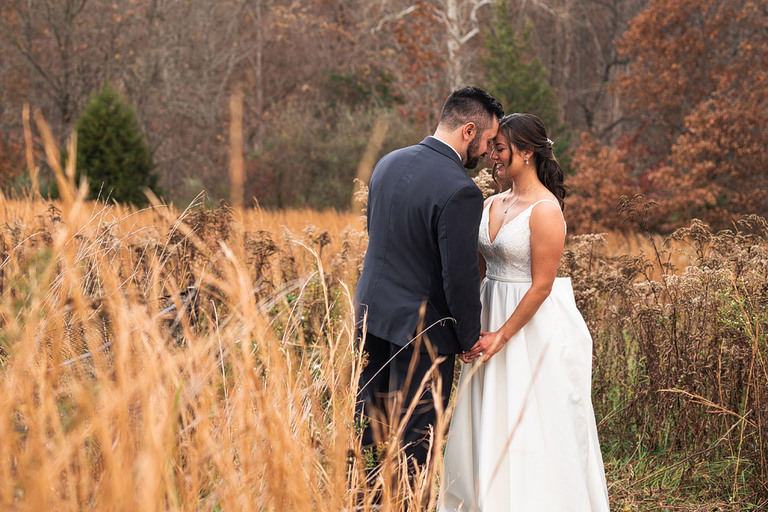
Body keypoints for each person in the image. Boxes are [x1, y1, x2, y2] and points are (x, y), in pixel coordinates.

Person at [438, 113, 610, 511]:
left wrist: (502, 334)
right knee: (488, 417)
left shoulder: (545, 210)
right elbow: (477, 271)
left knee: (530, 421)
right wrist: (470, 327)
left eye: (499, 148)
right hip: (488, 315)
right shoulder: (490, 203)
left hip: (530, 327)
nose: (491, 156)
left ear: (527, 152)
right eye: (491, 148)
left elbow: (542, 285)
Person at [354, 86, 504, 478]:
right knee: (415, 443)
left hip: (368, 318)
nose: (489, 152)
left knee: (367, 432)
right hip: (421, 333)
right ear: (469, 131)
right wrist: (468, 336)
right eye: (488, 140)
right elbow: (459, 277)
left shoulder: (387, 162)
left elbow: (379, 237)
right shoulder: (461, 190)